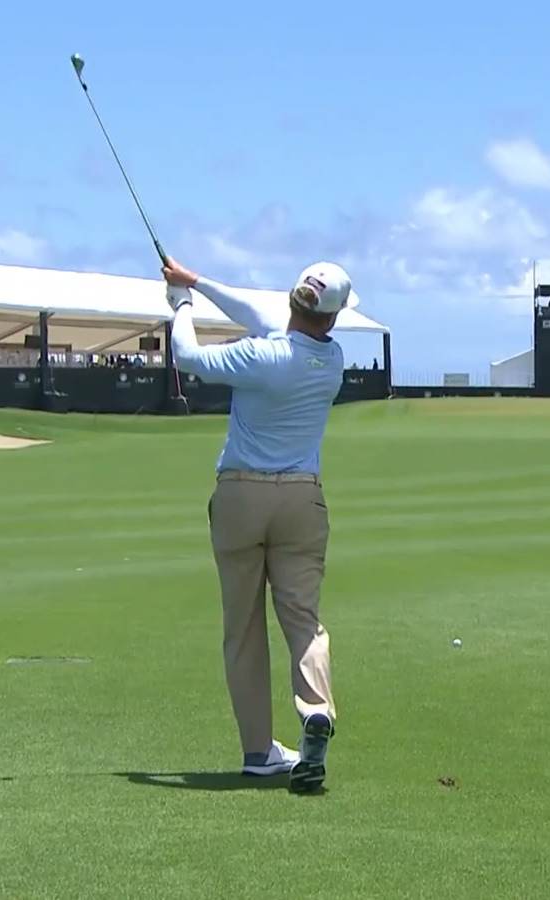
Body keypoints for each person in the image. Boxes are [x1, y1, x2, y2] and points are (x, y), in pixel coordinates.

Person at [163, 254, 356, 795]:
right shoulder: (332, 360)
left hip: (240, 496)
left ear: (294, 300)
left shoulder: (261, 355)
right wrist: (195, 281)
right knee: (303, 619)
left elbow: (187, 356)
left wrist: (181, 305)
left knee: (244, 627)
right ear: (333, 319)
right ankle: (315, 709)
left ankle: (258, 751)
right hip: (301, 500)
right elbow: (260, 314)